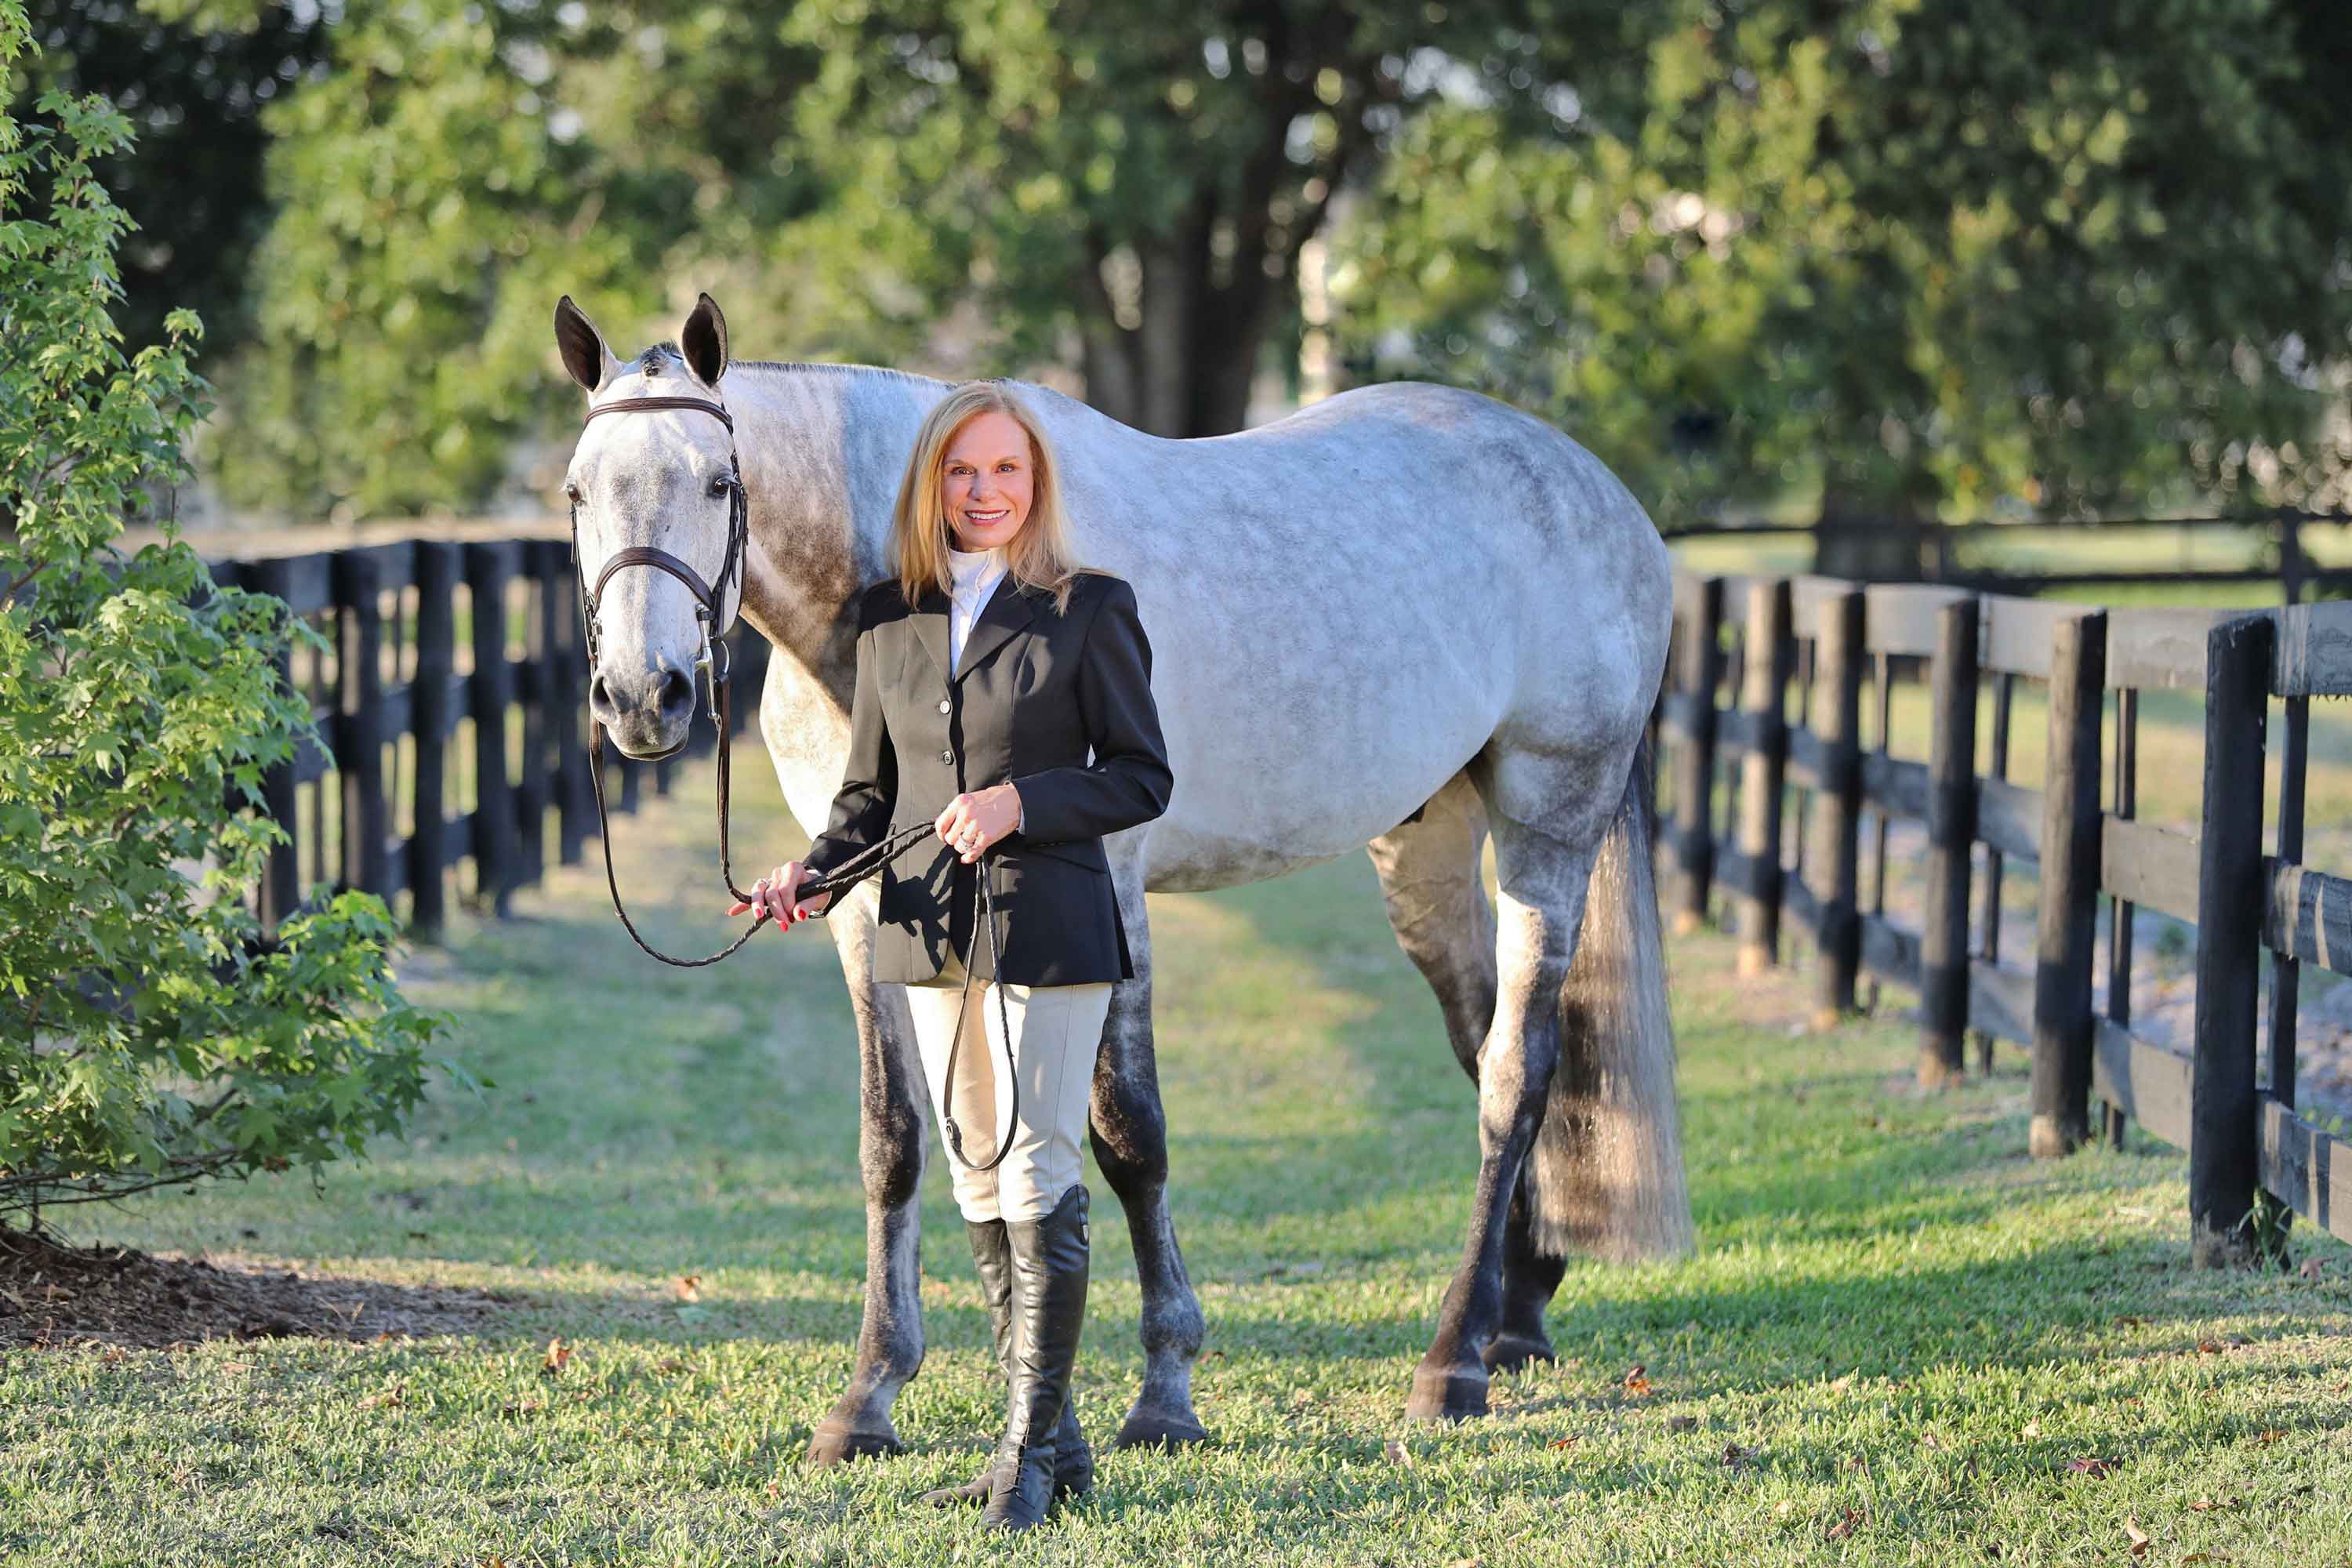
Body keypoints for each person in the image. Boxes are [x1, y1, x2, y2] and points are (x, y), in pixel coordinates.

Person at [731, 380, 1173, 1531]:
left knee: (1035, 1170)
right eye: (963, 473)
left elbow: (1141, 776)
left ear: (1037, 487)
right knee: (976, 1175)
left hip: (1051, 922)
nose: (984, 493)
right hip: (924, 921)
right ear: (933, 485)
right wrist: (809, 872)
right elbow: (871, 795)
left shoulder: (1089, 607)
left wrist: (1023, 802)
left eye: (1006, 473)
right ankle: (1060, 1440)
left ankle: (1024, 1452)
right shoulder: (888, 617)